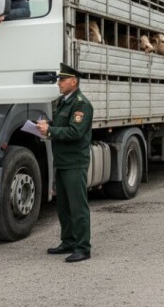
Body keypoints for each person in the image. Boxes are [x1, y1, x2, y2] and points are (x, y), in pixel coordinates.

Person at [36, 63, 93, 263]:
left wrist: (50, 131)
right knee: (64, 207)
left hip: (75, 162)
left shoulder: (81, 104)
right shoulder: (63, 102)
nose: (59, 83)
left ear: (73, 81)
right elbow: (61, 126)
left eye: (62, 79)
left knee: (78, 207)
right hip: (62, 161)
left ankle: (83, 247)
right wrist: (46, 126)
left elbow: (75, 132)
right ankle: (68, 241)